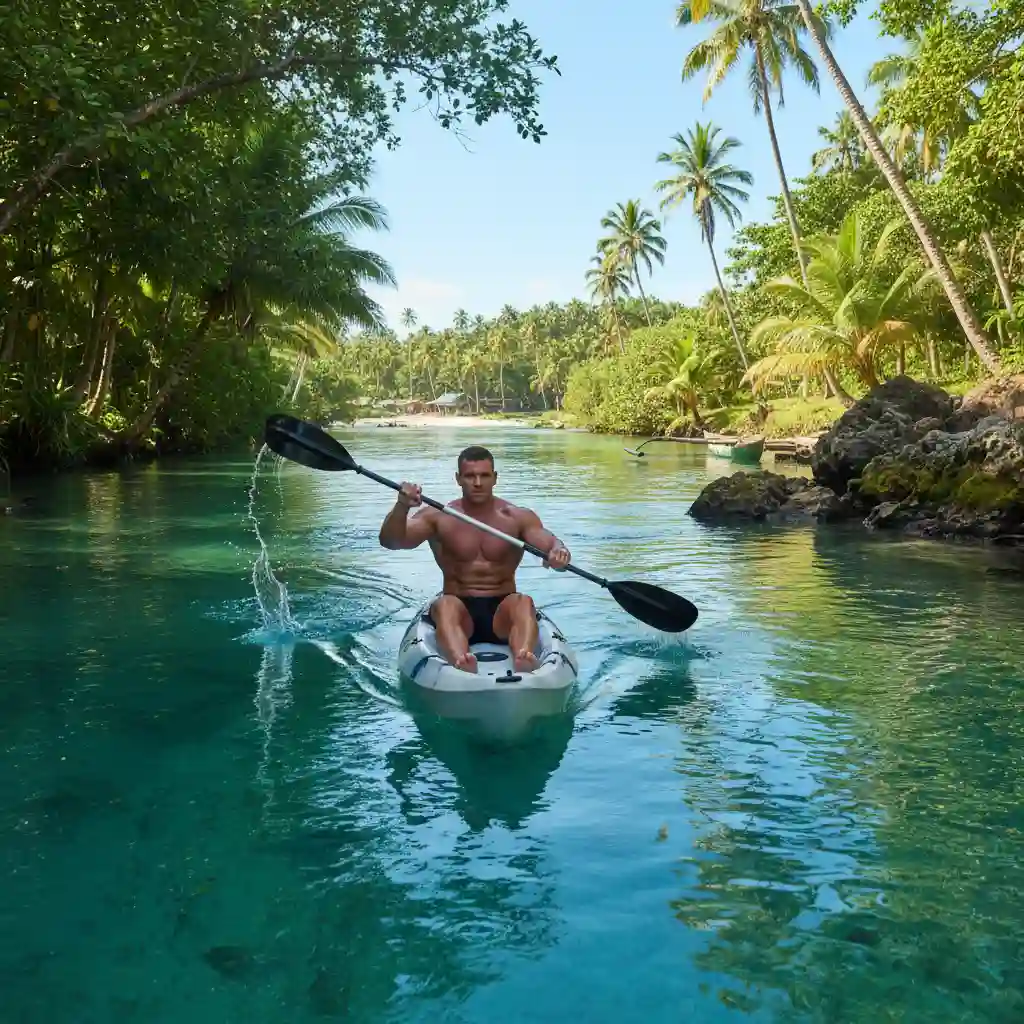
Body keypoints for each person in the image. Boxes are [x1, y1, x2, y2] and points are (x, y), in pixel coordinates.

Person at [378, 444, 570, 673]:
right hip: (459, 610)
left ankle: (524, 657)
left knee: (523, 601)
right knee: (444, 604)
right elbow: (392, 542)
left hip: (503, 612)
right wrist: (401, 507)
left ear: (495, 478)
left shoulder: (517, 517)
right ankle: (461, 661)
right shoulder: (439, 517)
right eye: (470, 476)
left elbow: (549, 543)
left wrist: (559, 552)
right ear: (458, 479)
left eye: (484, 476)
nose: (477, 483)